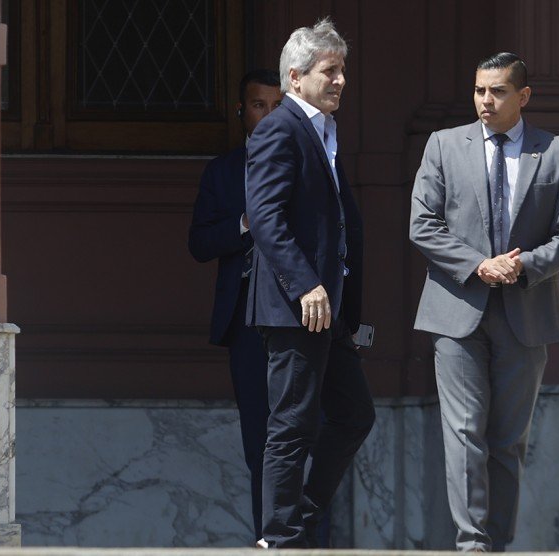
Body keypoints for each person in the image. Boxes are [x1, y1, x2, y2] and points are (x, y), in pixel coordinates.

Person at [409, 52, 559, 552]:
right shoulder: (444, 145)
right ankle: (472, 544)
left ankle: (499, 544)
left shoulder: (557, 152)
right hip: (456, 311)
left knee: (508, 439)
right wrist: (478, 265)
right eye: (479, 90)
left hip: (525, 313)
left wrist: (524, 265)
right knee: (464, 432)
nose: (485, 101)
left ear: (523, 96)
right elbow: (422, 224)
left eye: (498, 91)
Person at [245, 18, 375, 549]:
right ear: (296, 77)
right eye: (330, 71)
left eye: (342, 70)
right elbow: (265, 216)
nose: (340, 80)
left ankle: (297, 517)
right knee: (292, 424)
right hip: (296, 306)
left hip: (329, 311)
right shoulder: (280, 128)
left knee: (354, 415)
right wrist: (304, 285)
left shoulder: (322, 130)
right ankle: (280, 538)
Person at [188, 69, 283, 542]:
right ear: (241, 110)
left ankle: (307, 542)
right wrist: (244, 223)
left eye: (277, 107)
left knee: (305, 435)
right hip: (245, 318)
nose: (268, 116)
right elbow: (199, 244)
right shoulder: (222, 171)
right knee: (258, 439)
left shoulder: (309, 163)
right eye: (258, 106)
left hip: (301, 316)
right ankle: (268, 539)